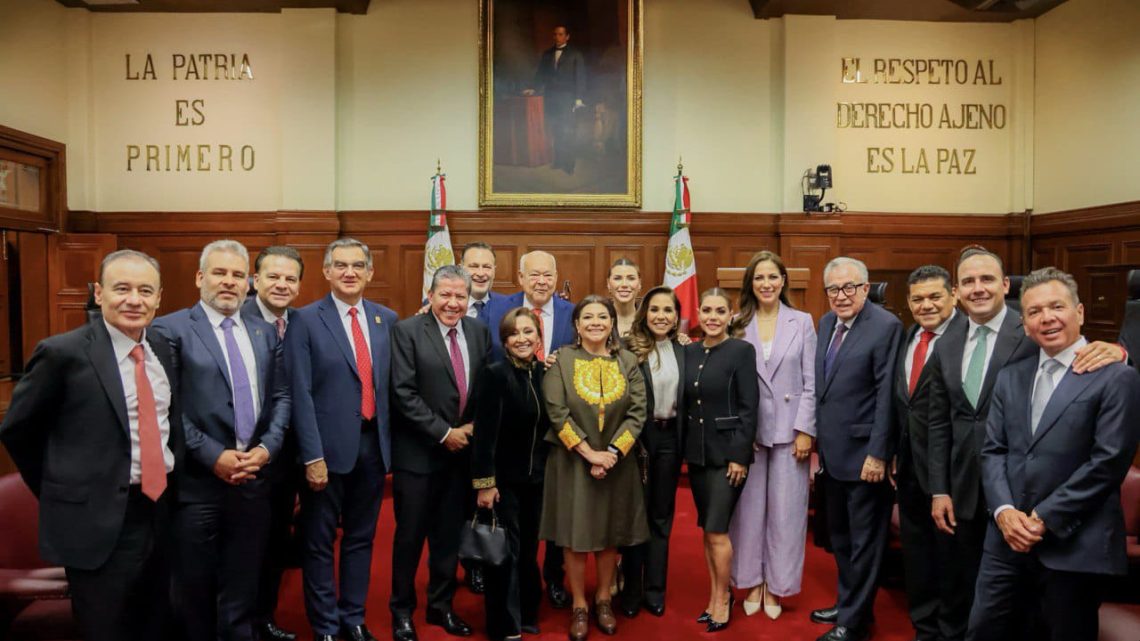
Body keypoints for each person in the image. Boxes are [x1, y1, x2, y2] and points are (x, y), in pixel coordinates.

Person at [925, 247, 1123, 641]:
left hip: (1054, 517)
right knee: (975, 609)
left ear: (1005, 285)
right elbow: (942, 423)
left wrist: (1121, 351)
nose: (977, 288)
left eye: (986, 279)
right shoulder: (947, 343)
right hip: (978, 495)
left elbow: (1108, 451)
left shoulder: (1046, 332)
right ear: (957, 292)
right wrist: (948, 490)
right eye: (967, 281)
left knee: (1042, 621)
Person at [0, 250, 181, 641]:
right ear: (99, 293)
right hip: (95, 522)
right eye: (122, 288)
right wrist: (61, 490)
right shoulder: (62, 353)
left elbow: (169, 426)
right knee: (106, 629)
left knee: (156, 623)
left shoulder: (163, 350)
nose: (134, 299)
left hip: (159, 512)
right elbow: (19, 430)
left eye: (145, 290)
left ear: (159, 298)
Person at [967, 267, 1140, 641]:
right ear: (1024, 323)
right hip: (1006, 541)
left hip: (1074, 544)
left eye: (1056, 307)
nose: (1047, 318)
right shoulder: (1012, 376)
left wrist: (1043, 518)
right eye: (1034, 311)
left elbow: (1108, 462)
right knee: (983, 631)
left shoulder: (1115, 377)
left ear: (1078, 312)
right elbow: (994, 450)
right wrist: (1004, 512)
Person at [150, 240, 290, 641]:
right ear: (200, 278)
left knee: (243, 583)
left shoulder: (264, 331)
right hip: (198, 485)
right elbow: (168, 409)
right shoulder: (171, 329)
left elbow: (281, 397)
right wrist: (213, 455)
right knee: (193, 589)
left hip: (253, 480)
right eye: (218, 272)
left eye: (236, 275)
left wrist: (266, 449)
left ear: (248, 283)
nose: (228, 282)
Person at [286, 238, 398, 641]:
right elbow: (299, 391)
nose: (349, 272)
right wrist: (311, 455)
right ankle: (326, 626)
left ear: (370, 272)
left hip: (373, 447)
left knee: (361, 539)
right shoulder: (304, 320)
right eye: (341, 265)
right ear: (327, 271)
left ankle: (352, 617)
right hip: (325, 452)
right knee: (317, 543)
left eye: (357, 265)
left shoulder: (387, 318)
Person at [389, 265, 492, 641]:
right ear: (430, 295)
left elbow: (485, 388)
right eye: (445, 295)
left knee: (449, 539)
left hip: (461, 457)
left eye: (460, 296)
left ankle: (441, 606)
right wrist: (444, 432)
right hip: (418, 457)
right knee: (410, 538)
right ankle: (401, 611)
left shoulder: (480, 333)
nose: (452, 303)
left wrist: (474, 428)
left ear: (469, 299)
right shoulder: (406, 331)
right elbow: (402, 392)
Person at [541, 295, 648, 641]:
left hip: (618, 464)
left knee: (608, 534)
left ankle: (603, 599)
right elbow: (557, 412)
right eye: (588, 317)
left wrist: (612, 453)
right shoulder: (561, 361)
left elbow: (638, 412)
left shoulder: (628, 360)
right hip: (572, 463)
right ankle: (579, 605)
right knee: (574, 537)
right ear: (576, 324)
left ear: (612, 323)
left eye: (603, 316)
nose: (596, 322)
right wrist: (590, 454)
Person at [809, 256, 903, 641]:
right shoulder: (827, 322)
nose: (841, 296)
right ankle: (849, 604)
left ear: (866, 288)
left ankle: (855, 622)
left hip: (866, 456)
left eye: (850, 287)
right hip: (833, 454)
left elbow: (887, 396)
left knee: (865, 543)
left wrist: (879, 453)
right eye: (833, 289)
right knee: (842, 538)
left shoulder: (886, 327)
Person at [727, 251, 816, 620]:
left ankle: (777, 586)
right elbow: (729, 382)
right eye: (759, 277)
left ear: (783, 281)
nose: (766, 283)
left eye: (773, 277)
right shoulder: (735, 322)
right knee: (747, 515)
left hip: (789, 434)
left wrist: (805, 430)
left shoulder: (803, 321)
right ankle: (752, 581)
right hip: (749, 433)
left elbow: (811, 381)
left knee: (786, 515)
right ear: (750, 282)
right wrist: (737, 433)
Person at [486, 249, 576, 606]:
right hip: (511, 444)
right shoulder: (496, 310)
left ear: (557, 277)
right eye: (533, 275)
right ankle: (513, 590)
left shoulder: (575, 314)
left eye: (547, 275)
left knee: (554, 517)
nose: (541, 281)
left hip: (558, 441)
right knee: (514, 526)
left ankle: (554, 577)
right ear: (520, 278)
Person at [891, 265, 963, 641]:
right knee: (917, 553)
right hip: (909, 466)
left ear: (954, 296)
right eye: (918, 298)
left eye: (935, 296)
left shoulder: (967, 338)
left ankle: (951, 630)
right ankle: (925, 627)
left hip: (951, 472)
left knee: (950, 557)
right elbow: (902, 401)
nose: (927, 305)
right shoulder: (910, 335)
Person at [683, 287, 760, 634]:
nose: (712, 317)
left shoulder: (741, 351)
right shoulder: (690, 351)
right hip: (698, 454)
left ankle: (722, 600)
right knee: (707, 530)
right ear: (698, 313)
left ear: (731, 315)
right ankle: (716, 593)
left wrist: (740, 456)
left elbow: (749, 407)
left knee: (717, 530)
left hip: (728, 456)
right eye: (707, 311)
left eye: (719, 311)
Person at [471, 307, 550, 641]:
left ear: (538, 337)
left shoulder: (544, 374)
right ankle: (504, 625)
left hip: (537, 480)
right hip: (503, 483)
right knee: (506, 554)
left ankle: (528, 612)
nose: (522, 339)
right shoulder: (495, 374)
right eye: (514, 333)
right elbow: (484, 435)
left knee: (530, 551)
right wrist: (485, 484)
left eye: (528, 332)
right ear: (504, 341)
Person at [245, 245, 305, 641]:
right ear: (255, 280)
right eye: (273, 276)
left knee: (273, 544)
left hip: (286, 459)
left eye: (290, 278)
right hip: (241, 457)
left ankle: (262, 618)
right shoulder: (235, 319)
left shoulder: (302, 322)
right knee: (242, 547)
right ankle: (235, 622)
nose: (282, 285)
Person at [616, 286, 686, 618]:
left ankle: (654, 588)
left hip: (670, 439)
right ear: (645, 314)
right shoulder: (628, 348)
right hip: (636, 440)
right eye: (655, 310)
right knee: (634, 517)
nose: (661, 316)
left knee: (661, 516)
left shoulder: (687, 351)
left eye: (668, 310)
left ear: (676, 317)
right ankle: (630, 588)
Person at [524, 24, 587, 174]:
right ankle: (558, 161)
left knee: (568, 131)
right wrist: (533, 87)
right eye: (555, 34)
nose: (557, 37)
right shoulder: (547, 54)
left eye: (561, 34)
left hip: (568, 98)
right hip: (551, 97)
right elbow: (540, 74)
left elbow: (580, 77)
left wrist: (578, 98)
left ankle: (569, 164)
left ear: (567, 36)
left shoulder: (576, 54)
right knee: (556, 130)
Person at [462, 241, 507, 326]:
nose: (480, 273)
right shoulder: (441, 306)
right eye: (474, 266)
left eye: (487, 267)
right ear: (461, 270)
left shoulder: (508, 306)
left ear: (494, 271)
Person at [606, 257, 642, 337]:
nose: (624, 284)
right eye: (617, 278)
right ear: (608, 284)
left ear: (639, 284)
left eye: (631, 278)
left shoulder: (648, 318)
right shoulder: (598, 319)